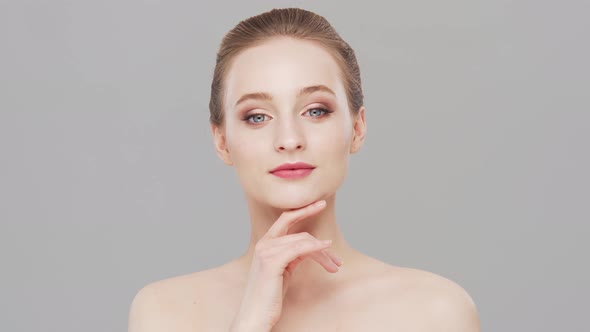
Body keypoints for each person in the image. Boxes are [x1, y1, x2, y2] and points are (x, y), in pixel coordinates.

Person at [128, 7, 480, 332]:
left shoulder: (435, 312)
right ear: (222, 141)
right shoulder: (164, 312)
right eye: (257, 116)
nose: (289, 139)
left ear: (357, 128)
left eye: (315, 110)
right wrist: (249, 321)